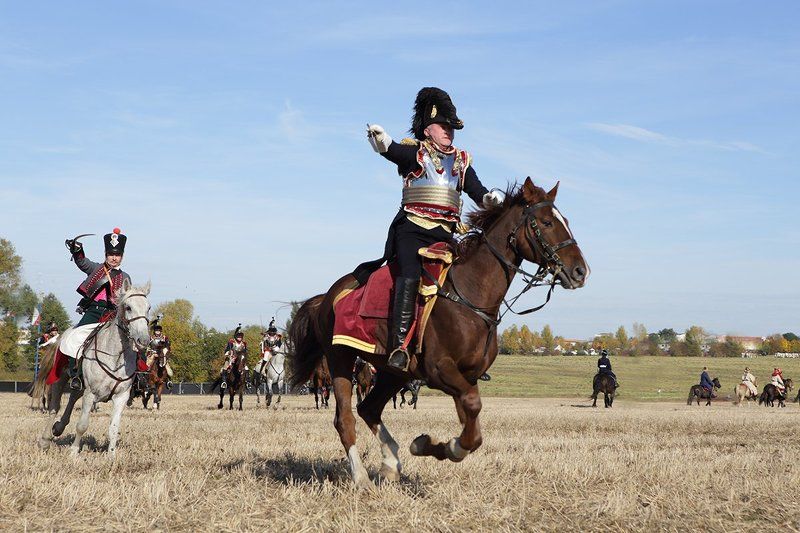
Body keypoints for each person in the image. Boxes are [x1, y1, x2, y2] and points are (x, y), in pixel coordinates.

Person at [362, 87, 504, 372]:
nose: (449, 132)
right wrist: (382, 141)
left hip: (447, 235)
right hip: (412, 231)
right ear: (428, 129)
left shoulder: (462, 161)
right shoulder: (416, 152)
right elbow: (392, 151)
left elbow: (477, 191)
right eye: (444, 126)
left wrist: (489, 198)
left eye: (452, 128)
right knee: (410, 275)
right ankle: (399, 346)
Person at [58, 228, 131, 391]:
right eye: (111, 254)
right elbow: (82, 262)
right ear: (106, 254)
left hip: (112, 315)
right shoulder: (96, 268)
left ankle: (132, 377)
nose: (114, 257)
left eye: (117, 255)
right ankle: (75, 374)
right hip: (93, 312)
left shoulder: (125, 277)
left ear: (122, 257)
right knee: (75, 337)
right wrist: (77, 250)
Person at [146, 316, 174, 389]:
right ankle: (145, 380)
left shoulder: (165, 338)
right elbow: (148, 347)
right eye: (156, 331)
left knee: (169, 371)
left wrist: (165, 352)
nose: (157, 332)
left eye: (158, 331)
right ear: (154, 331)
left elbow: (168, 346)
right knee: (147, 366)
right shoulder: (151, 338)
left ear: (160, 331)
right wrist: (152, 353)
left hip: (162, 355)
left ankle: (168, 381)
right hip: (153, 354)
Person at [220, 324, 248, 390]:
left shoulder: (244, 343)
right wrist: (229, 353)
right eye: (238, 335)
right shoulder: (231, 342)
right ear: (235, 336)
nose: (240, 337)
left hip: (240, 359)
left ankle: (247, 382)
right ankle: (224, 382)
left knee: (246, 368)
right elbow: (226, 350)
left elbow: (245, 352)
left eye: (241, 335)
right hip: (231, 358)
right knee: (225, 366)